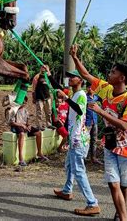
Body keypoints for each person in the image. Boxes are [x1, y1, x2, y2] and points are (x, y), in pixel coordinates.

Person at [71, 44, 127, 221]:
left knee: (124, 185)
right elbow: (86, 75)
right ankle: (124, 218)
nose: (109, 74)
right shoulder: (106, 89)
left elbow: (125, 126)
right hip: (110, 144)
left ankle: (120, 213)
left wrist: (100, 111)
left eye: (113, 72)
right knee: (112, 183)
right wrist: (75, 57)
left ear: (122, 78)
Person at [43, 66, 100, 216]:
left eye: (73, 76)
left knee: (78, 171)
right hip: (75, 137)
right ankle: (67, 190)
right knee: (69, 164)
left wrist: (66, 98)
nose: (70, 78)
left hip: (78, 140)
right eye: (69, 76)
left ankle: (92, 203)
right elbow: (59, 87)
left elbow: (80, 110)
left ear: (80, 80)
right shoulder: (74, 94)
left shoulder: (80, 95)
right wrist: (49, 75)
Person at [8, 96, 49, 167]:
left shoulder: (25, 111)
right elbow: (11, 122)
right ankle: (21, 158)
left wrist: (28, 125)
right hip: (17, 126)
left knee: (38, 133)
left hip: (24, 126)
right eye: (22, 102)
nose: (23, 103)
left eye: (24, 102)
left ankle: (39, 153)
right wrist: (22, 125)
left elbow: (27, 122)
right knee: (21, 134)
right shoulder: (13, 110)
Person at [85, 82, 102, 164]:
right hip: (86, 122)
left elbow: (104, 100)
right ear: (87, 88)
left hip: (94, 121)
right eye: (89, 87)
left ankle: (93, 158)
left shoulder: (96, 97)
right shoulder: (84, 97)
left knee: (94, 140)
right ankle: (83, 157)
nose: (91, 89)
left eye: (92, 88)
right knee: (85, 140)